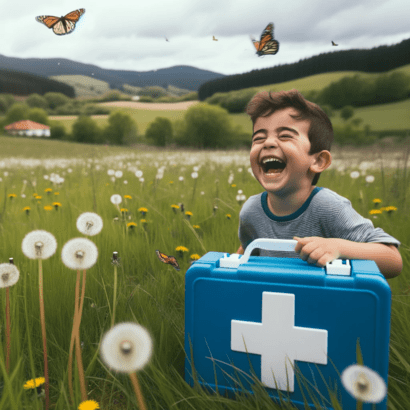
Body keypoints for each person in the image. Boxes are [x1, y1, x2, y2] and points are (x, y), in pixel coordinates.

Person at [236, 89, 402, 280]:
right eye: (258, 138)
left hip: (319, 305)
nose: (268, 143)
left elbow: (393, 260)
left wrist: (338, 247)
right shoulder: (251, 211)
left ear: (318, 161)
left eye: (285, 136)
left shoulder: (328, 207)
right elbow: (247, 249)